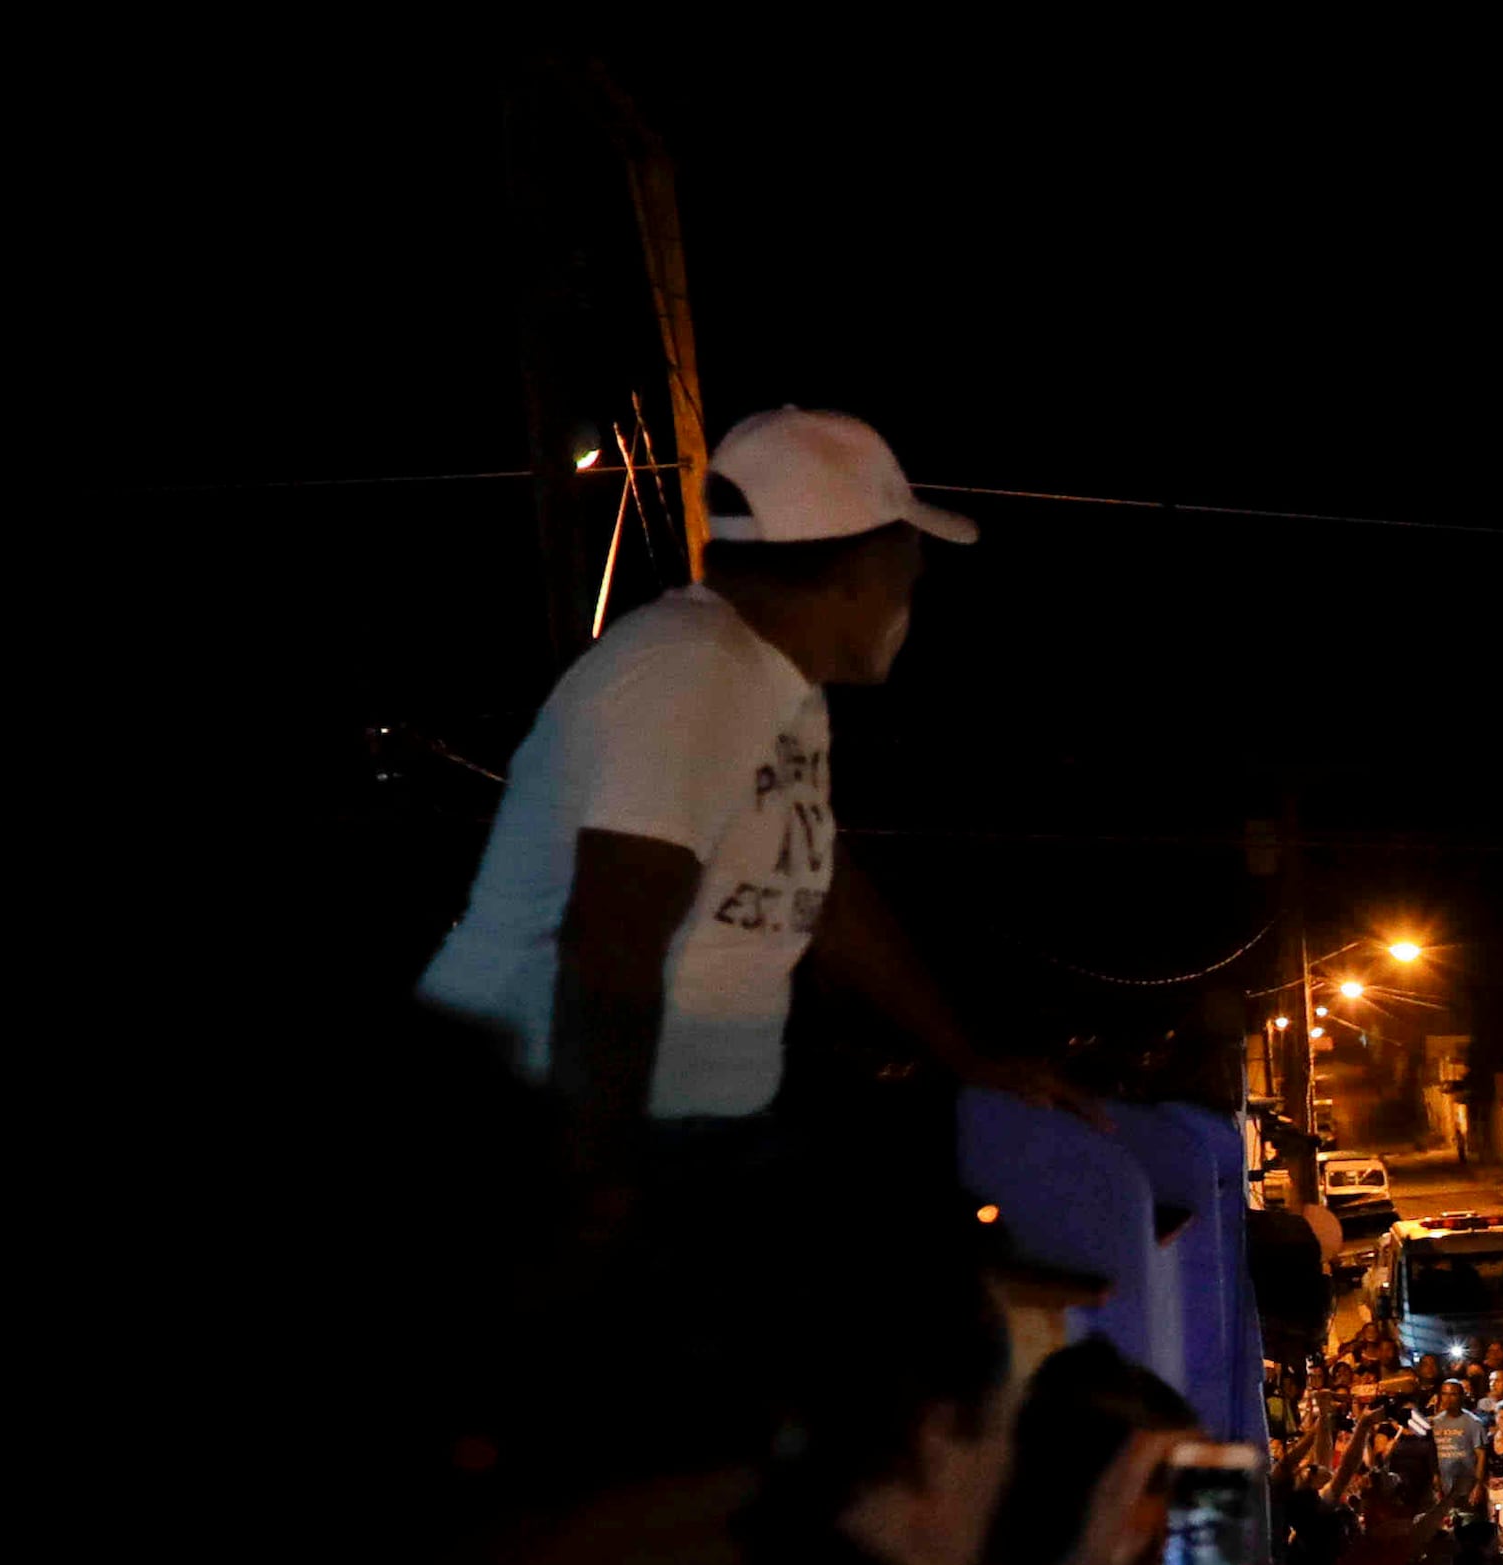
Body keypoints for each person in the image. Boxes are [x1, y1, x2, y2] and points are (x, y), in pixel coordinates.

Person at [414, 406, 1078, 1188]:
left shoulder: (783, 690)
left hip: (683, 1128)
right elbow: (612, 945)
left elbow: (821, 886)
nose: (914, 588)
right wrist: (601, 1189)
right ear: (857, 569)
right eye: (909, 567)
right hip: (548, 1127)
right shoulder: (690, 673)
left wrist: (965, 1056)